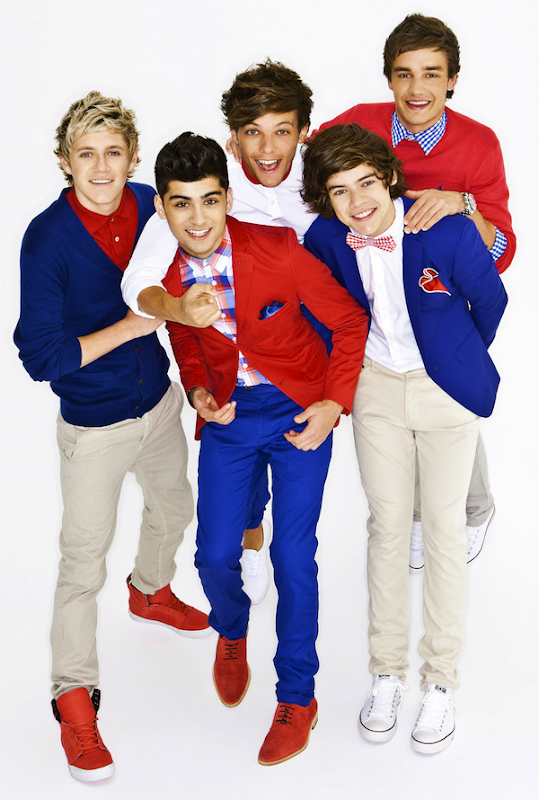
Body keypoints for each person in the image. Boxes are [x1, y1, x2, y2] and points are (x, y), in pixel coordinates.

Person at [129, 131, 368, 765]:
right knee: (212, 557)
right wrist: (200, 392)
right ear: (162, 208)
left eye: (210, 200)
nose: (198, 218)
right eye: (182, 204)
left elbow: (349, 320)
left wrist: (334, 403)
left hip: (298, 411)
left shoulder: (279, 247)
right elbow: (187, 342)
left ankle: (297, 696)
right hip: (230, 419)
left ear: (228, 198)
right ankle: (230, 628)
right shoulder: (167, 277)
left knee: (292, 556)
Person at [14, 92, 212, 783]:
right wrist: (130, 328)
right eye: (86, 154)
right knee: (81, 565)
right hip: (93, 426)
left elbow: (202, 236)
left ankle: (150, 590)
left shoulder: (150, 205)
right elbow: (40, 357)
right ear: (65, 161)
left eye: (114, 153)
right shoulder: (47, 239)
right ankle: (73, 695)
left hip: (157, 402)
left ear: (132, 159)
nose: (101, 168)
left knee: (176, 508)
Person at [302, 122, 507, 753]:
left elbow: (490, 303)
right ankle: (386, 674)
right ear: (326, 200)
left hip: (444, 389)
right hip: (376, 390)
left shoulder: (445, 230)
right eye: (340, 191)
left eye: (367, 183)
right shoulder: (325, 239)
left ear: (390, 177)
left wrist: (452, 356)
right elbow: (323, 312)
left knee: (443, 529)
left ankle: (440, 681)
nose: (357, 201)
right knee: (388, 528)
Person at [318, 13, 516, 567]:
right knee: (390, 406)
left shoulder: (479, 143)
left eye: (432, 73)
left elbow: (502, 249)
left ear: (452, 80)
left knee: (451, 389)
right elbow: (305, 163)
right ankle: (411, 514)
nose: (417, 88)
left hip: (439, 290)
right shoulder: (357, 123)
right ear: (389, 78)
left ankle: (474, 507)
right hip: (376, 279)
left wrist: (462, 203)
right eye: (404, 73)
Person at [122, 60, 317, 603]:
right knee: (239, 462)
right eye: (252, 132)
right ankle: (250, 538)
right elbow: (141, 282)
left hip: (312, 340)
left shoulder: (324, 172)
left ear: (305, 132)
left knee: (298, 518)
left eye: (282, 131)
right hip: (240, 351)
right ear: (234, 138)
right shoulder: (207, 195)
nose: (267, 148)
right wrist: (179, 311)